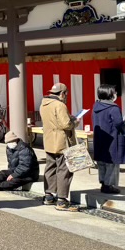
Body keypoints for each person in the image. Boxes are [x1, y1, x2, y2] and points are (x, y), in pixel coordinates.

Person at [40, 83, 80, 212]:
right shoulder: (60, 105)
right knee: (64, 170)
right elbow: (65, 124)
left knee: (50, 167)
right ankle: (62, 200)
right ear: (62, 94)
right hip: (61, 142)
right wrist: (74, 122)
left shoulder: (44, 104)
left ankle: (48, 195)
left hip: (49, 140)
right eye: (66, 94)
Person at [93, 84, 125, 194]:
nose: (116, 94)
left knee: (102, 161)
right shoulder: (113, 108)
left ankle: (104, 183)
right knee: (112, 162)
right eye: (114, 92)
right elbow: (118, 123)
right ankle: (109, 185)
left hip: (100, 138)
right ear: (110, 94)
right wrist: (124, 130)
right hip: (112, 138)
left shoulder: (96, 106)